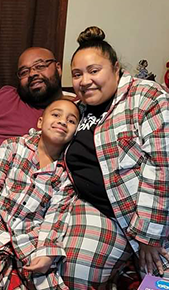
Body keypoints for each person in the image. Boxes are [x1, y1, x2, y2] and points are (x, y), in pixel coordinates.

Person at [62, 26, 169, 288]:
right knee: (73, 273)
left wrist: (147, 237)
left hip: (149, 221)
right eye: (77, 74)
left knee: (157, 282)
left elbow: (162, 167)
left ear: (116, 68)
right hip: (99, 213)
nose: (84, 81)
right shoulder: (77, 109)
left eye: (94, 71)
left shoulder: (147, 97)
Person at [0, 98, 80, 289]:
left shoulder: (67, 170)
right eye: (56, 115)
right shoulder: (13, 146)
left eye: (71, 121)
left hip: (31, 238)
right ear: (40, 122)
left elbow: (56, 214)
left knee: (49, 282)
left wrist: (47, 251)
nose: (62, 121)